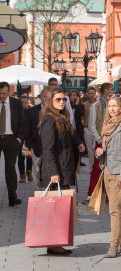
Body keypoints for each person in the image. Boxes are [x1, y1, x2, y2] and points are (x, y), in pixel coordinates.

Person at [38, 87, 85, 255]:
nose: (62, 102)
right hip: (56, 170)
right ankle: (53, 244)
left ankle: (56, 242)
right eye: (58, 99)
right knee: (55, 209)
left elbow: (71, 134)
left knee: (61, 209)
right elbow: (48, 149)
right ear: (50, 101)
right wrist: (53, 173)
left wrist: (78, 142)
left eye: (63, 99)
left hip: (65, 167)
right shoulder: (49, 119)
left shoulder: (62, 117)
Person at [95, 95, 121, 258]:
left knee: (114, 210)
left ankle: (114, 245)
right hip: (107, 170)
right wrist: (99, 153)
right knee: (119, 208)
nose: (112, 109)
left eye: (115, 106)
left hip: (119, 172)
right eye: (110, 106)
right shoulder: (107, 124)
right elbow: (106, 148)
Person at [85, 83, 114, 204]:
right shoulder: (96, 106)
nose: (113, 90)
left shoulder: (113, 105)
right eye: (112, 89)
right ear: (106, 90)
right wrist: (99, 140)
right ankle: (91, 193)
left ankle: (107, 193)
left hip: (112, 141)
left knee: (111, 168)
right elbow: (91, 125)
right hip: (101, 141)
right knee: (97, 167)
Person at [0, 81, 26, 207]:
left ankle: (12, 198)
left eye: (4, 94)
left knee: (10, 169)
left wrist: (19, 139)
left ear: (9, 92)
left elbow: (22, 121)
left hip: (12, 139)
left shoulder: (16, 103)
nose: (1, 96)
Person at [24, 87, 49, 187]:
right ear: (40, 97)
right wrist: (31, 145)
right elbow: (27, 129)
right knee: (38, 172)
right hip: (37, 147)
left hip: (53, 148)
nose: (46, 99)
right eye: (44, 96)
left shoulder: (58, 110)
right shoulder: (32, 111)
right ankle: (41, 194)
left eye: (49, 97)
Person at [18, 94, 33, 182]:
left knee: (29, 157)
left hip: (29, 138)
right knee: (20, 158)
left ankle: (29, 173)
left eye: (25, 103)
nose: (24, 104)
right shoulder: (17, 112)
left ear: (28, 102)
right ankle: (22, 176)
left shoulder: (31, 111)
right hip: (20, 138)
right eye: (22, 103)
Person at [69, 91, 86, 166]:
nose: (72, 97)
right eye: (70, 95)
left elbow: (80, 114)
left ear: (77, 97)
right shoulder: (65, 106)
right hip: (69, 132)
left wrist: (76, 104)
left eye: (73, 95)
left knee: (76, 152)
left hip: (77, 132)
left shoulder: (80, 106)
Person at [83, 86, 98, 162]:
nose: (91, 95)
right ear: (87, 94)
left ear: (95, 94)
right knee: (89, 150)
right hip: (87, 128)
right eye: (90, 93)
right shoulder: (84, 104)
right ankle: (91, 169)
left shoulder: (99, 104)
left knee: (96, 148)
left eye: (93, 93)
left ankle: (96, 168)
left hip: (97, 129)